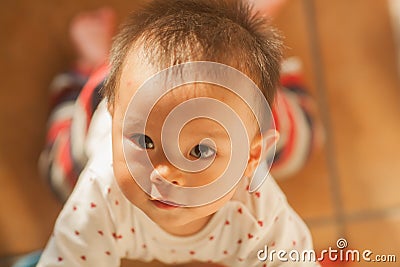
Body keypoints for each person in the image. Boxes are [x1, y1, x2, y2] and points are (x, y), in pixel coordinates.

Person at [36, 0, 320, 266]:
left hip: (240, 106)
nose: (165, 172)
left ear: (251, 157)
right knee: (61, 176)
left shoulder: (259, 213)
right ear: (115, 122)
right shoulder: (100, 192)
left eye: (200, 151)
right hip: (106, 90)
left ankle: (251, 28)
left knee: (302, 137)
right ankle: (91, 64)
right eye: (144, 141)